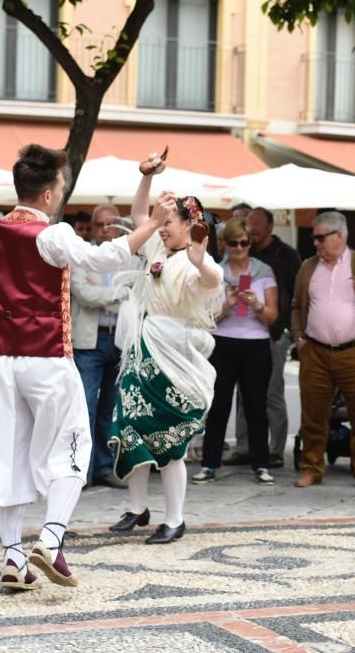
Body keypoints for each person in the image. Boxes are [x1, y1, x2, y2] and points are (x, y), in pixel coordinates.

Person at [0, 144, 163, 591]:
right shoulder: (51, 235)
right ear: (48, 194)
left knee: (7, 453)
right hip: (44, 357)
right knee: (73, 444)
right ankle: (52, 537)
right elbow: (105, 259)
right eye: (59, 186)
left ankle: (13, 556)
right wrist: (152, 222)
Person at [106, 154, 223, 545]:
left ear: (190, 225)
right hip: (143, 352)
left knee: (170, 441)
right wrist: (146, 178)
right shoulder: (158, 247)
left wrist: (200, 259)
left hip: (175, 356)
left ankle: (175, 518)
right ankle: (138, 508)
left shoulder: (196, 261)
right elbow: (141, 214)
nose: (163, 228)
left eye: (170, 222)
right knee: (133, 428)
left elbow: (213, 280)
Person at [292, 211, 355, 492]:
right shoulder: (308, 267)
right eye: (314, 238)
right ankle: (311, 468)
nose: (316, 243)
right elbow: (297, 306)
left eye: (321, 237)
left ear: (340, 236)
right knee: (313, 413)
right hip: (316, 351)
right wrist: (299, 338)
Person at [193, 218, 277, 485]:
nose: (239, 248)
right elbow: (205, 317)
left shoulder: (263, 271)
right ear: (225, 244)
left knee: (255, 406)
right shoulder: (217, 273)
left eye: (244, 243)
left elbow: (273, 317)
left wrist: (258, 305)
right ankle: (209, 464)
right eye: (233, 243)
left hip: (255, 343)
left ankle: (261, 464)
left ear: (250, 244)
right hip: (223, 342)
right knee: (218, 406)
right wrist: (227, 305)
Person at [224, 207, 301, 469]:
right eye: (248, 224)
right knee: (245, 396)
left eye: (257, 225)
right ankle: (244, 447)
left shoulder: (286, 256)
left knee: (271, 394)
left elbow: (297, 294)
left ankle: (276, 449)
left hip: (275, 331)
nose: (252, 230)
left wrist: (290, 329)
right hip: (242, 332)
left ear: (270, 227)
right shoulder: (242, 252)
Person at [71, 204, 134, 489]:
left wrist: (112, 295)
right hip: (89, 340)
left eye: (112, 224)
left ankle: (104, 466)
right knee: (84, 407)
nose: (106, 229)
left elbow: (137, 289)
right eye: (100, 224)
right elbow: (83, 294)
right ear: (93, 227)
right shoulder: (81, 256)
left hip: (119, 339)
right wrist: (118, 294)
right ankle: (80, 471)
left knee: (110, 408)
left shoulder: (129, 258)